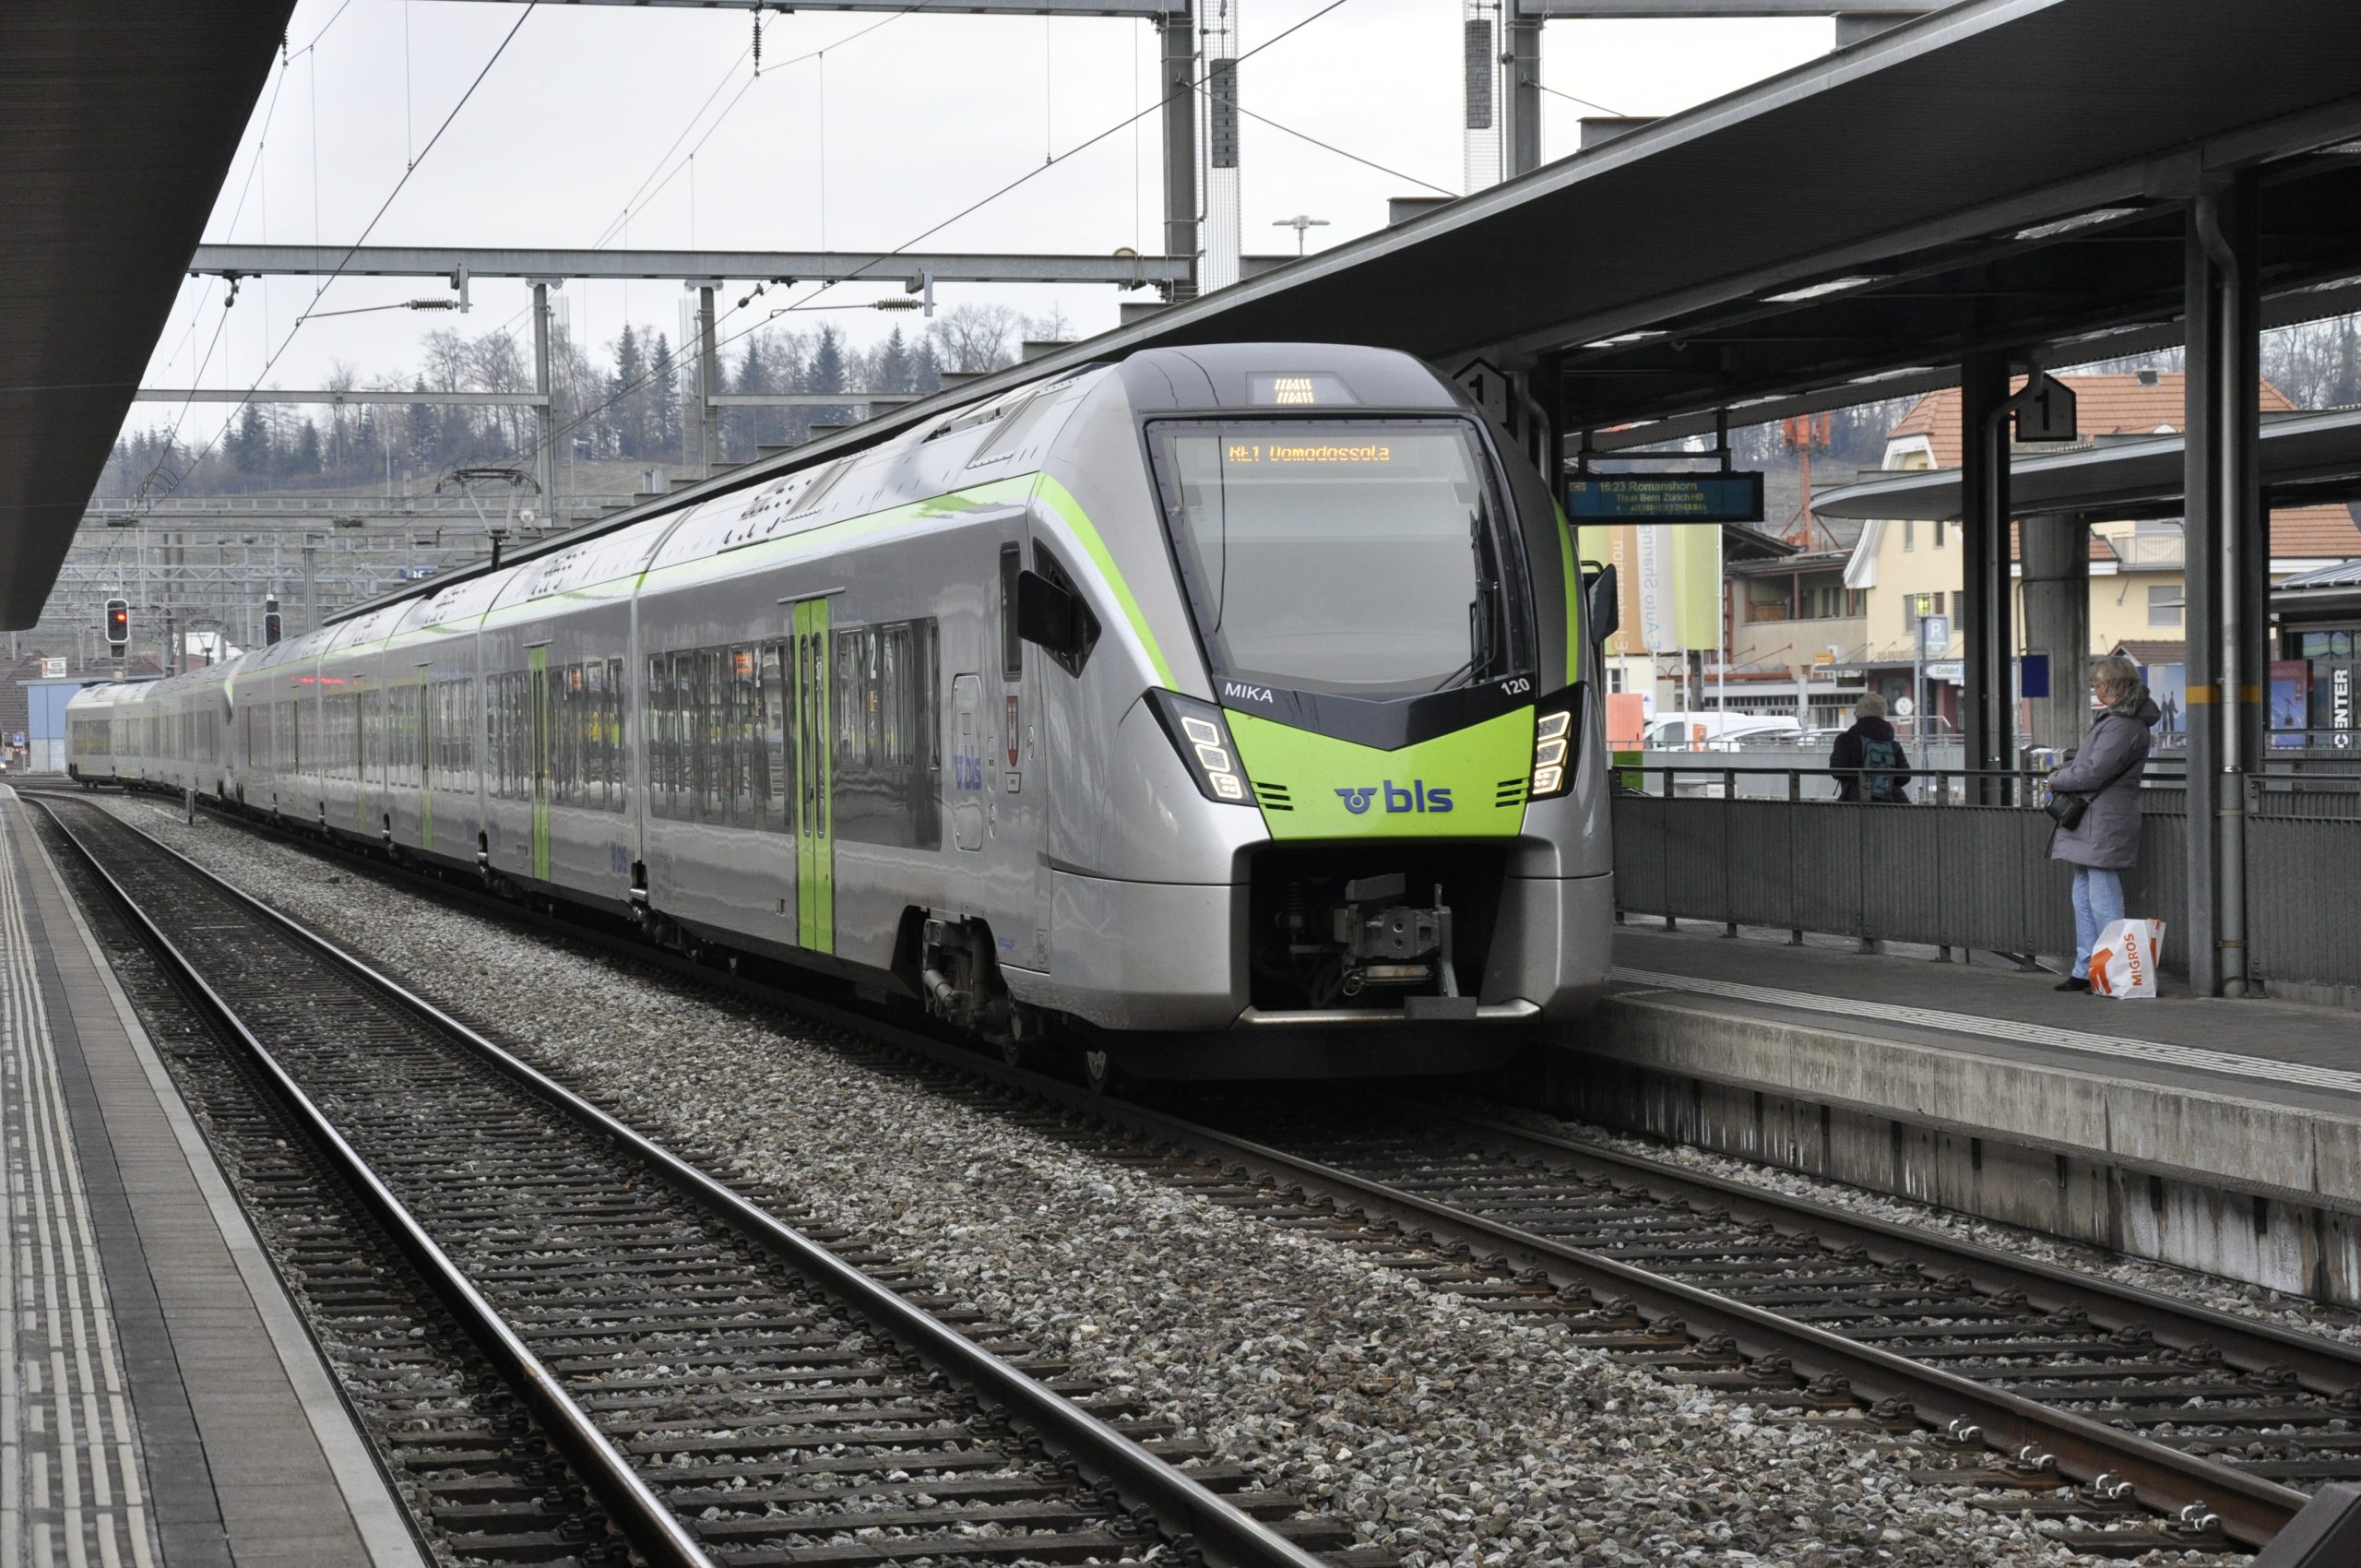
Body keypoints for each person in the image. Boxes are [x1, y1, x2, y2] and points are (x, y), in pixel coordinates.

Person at [2045, 654, 2162, 992]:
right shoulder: (2118, 721)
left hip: (2103, 818)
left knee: (2101, 896)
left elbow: (2095, 771)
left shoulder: (2123, 725)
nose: (2095, 690)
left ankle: (2112, 971)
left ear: (2108, 685)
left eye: (2096, 684)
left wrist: (2056, 778)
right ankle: (2087, 968)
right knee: (2084, 894)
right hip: (2095, 817)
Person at [1828, 694, 1913, 803]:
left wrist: (1859, 781)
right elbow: (1905, 777)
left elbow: (1837, 771)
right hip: (1891, 803)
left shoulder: (1846, 740)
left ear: (1858, 714)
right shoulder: (1893, 745)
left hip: (1856, 802)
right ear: (1882, 714)